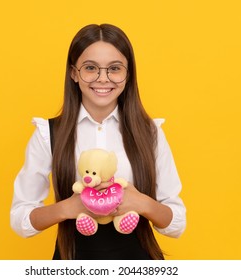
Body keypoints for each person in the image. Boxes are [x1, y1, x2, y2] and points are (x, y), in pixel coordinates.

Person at [10, 23, 186, 260]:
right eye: (91, 68)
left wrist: (141, 202)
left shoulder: (150, 132)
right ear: (74, 73)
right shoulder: (48, 133)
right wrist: (68, 208)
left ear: (128, 74)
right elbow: (20, 219)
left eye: (114, 68)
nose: (103, 79)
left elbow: (176, 223)